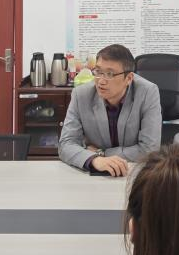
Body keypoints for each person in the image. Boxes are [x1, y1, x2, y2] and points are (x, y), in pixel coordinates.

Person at [58, 44, 161, 176]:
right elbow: (66, 144)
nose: (101, 81)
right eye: (98, 71)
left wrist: (101, 153)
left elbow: (149, 149)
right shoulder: (81, 95)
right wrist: (94, 160)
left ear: (129, 78)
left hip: (133, 173)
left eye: (110, 74)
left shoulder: (148, 92)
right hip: (94, 176)